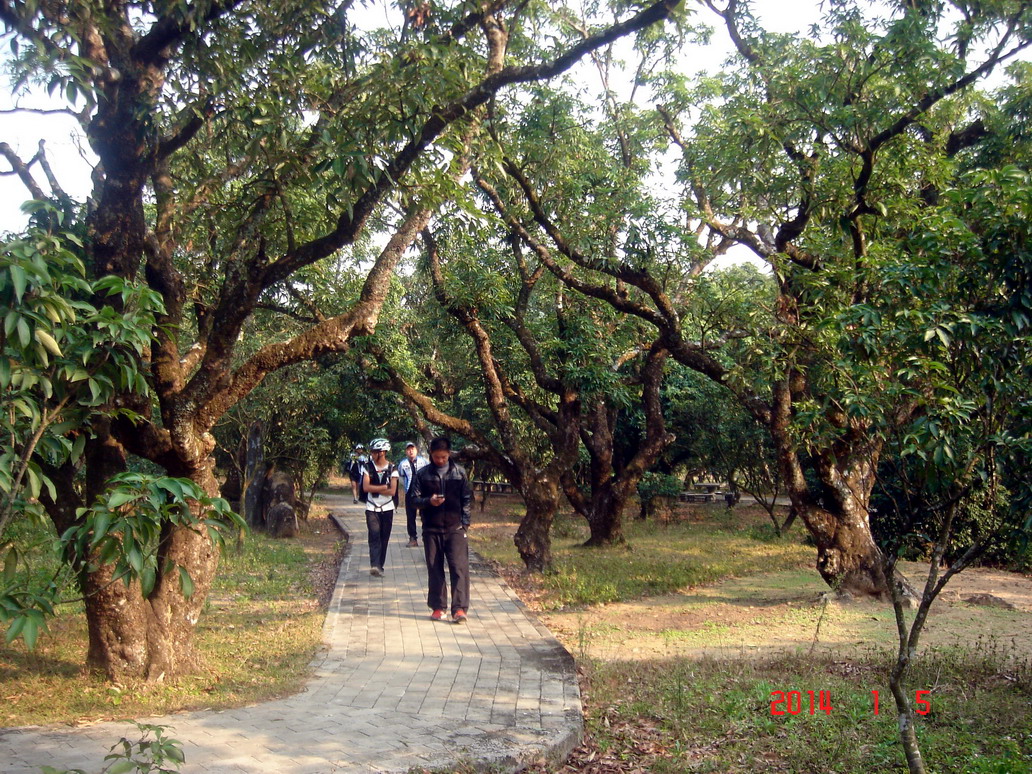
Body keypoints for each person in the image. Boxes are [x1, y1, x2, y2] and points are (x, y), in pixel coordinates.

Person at [410, 437, 472, 623]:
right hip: (431, 528)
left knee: (459, 567)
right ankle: (438, 607)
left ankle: (459, 609)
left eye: (444, 457)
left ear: (449, 454)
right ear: (431, 454)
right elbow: (413, 500)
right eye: (437, 457)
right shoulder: (422, 475)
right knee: (434, 567)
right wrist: (429, 501)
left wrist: (465, 524)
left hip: (455, 528)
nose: (440, 460)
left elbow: (467, 500)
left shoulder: (459, 473)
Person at [361, 438, 399, 577]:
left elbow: (393, 491)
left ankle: (380, 566)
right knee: (374, 536)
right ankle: (375, 565)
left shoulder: (392, 468)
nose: (372, 454)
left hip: (387, 508)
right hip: (371, 508)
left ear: (382, 452)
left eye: (374, 452)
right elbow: (366, 487)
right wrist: (383, 487)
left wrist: (375, 488)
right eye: (371, 452)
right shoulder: (367, 467)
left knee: (384, 538)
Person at [397, 441, 429, 547]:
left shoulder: (424, 462)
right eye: (408, 449)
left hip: (423, 491)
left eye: (413, 449)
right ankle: (412, 538)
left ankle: (426, 537)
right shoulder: (403, 464)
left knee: (425, 514)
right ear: (406, 451)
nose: (411, 451)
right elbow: (401, 477)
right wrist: (406, 487)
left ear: (416, 450)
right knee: (410, 516)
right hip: (410, 492)